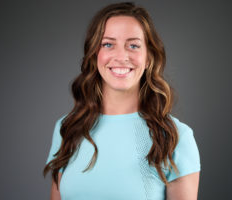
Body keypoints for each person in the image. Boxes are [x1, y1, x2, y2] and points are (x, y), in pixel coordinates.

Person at [43, 2, 201, 200]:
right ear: (95, 55)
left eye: (133, 45)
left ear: (149, 58)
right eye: (108, 44)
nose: (121, 56)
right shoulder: (67, 128)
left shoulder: (175, 137)